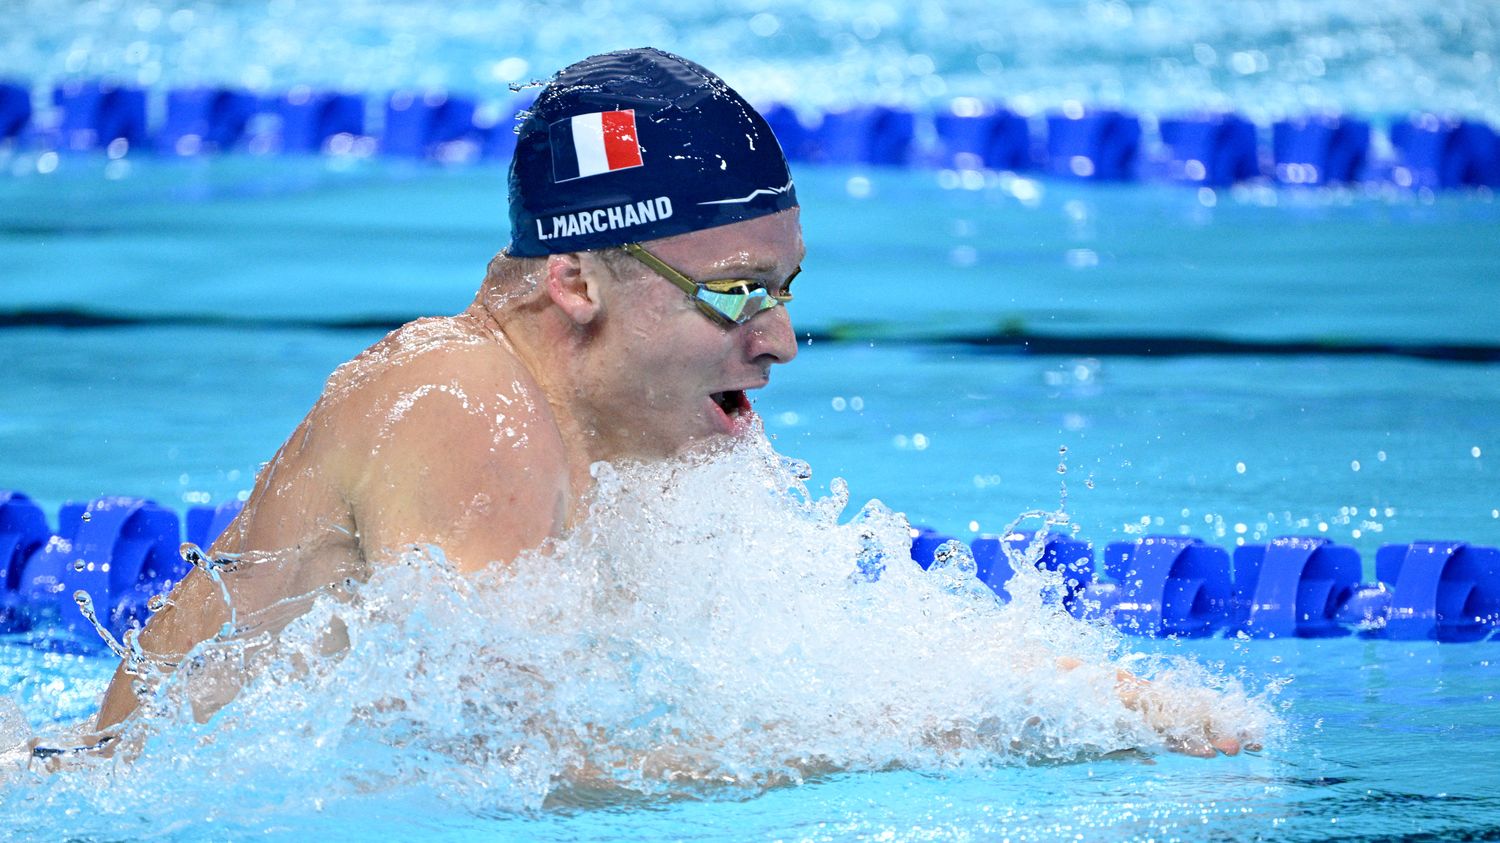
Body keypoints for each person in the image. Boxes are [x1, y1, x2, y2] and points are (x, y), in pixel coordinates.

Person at [90, 47, 1252, 760]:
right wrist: (934, 745)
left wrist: (1076, 698)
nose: (782, 342)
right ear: (577, 280)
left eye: (787, 290)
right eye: (738, 293)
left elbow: (791, 660)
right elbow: (520, 768)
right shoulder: (463, 403)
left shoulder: (623, 428)